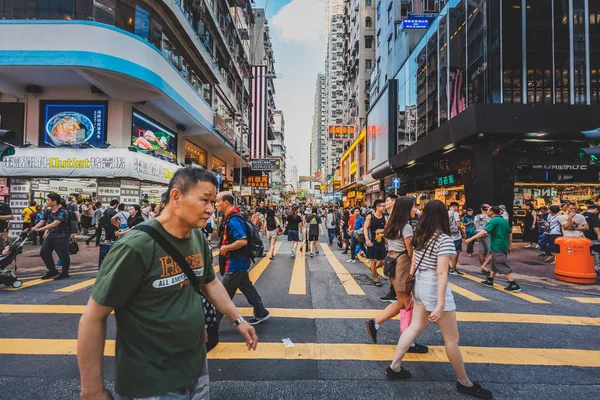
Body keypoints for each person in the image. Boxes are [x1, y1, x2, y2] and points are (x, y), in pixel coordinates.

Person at [78, 167, 258, 400]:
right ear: (176, 197)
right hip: (151, 380)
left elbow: (210, 283)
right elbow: (94, 316)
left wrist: (238, 319)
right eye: (205, 200)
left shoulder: (197, 238)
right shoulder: (135, 246)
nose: (210, 209)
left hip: (195, 367)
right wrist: (92, 390)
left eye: (213, 202)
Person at [385, 200, 492, 399]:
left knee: (414, 327)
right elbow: (442, 273)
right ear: (443, 216)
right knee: (452, 339)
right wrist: (441, 304)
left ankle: (395, 366)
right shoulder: (443, 239)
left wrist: (413, 288)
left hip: (419, 284)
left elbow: (413, 265)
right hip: (434, 286)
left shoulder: (419, 235)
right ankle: (464, 382)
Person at [366, 196, 428, 354]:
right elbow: (410, 251)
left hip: (391, 263)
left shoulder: (391, 224)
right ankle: (410, 343)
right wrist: (414, 270)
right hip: (402, 265)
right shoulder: (406, 227)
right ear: (407, 209)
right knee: (407, 304)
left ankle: (375, 323)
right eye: (414, 207)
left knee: (401, 302)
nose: (415, 209)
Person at [216, 191, 271, 325]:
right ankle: (261, 312)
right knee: (247, 287)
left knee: (223, 295)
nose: (215, 204)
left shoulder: (234, 219)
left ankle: (211, 324)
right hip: (238, 261)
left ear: (226, 202)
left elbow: (242, 241)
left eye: (217, 201)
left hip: (235, 263)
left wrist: (226, 248)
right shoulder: (229, 217)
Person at [466, 206, 521, 292]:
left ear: (492, 211)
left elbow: (485, 231)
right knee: (494, 264)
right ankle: (490, 280)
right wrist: (509, 245)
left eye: (488, 210)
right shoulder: (504, 220)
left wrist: (471, 238)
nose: (487, 211)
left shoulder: (493, 220)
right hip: (503, 245)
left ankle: (513, 283)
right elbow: (510, 233)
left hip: (497, 245)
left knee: (500, 263)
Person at [30, 193, 71, 280]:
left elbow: (55, 223)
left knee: (63, 255)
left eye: (48, 200)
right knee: (44, 252)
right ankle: (52, 270)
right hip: (51, 235)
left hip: (62, 236)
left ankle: (65, 272)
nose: (46, 202)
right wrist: (35, 227)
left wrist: (39, 230)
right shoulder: (48, 211)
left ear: (54, 202)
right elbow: (43, 221)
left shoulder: (63, 212)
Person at [364, 199, 387, 286]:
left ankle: (373, 269)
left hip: (381, 242)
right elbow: (365, 228)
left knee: (382, 261)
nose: (384, 207)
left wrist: (383, 231)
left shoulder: (385, 217)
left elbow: (387, 229)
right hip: (372, 242)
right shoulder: (370, 217)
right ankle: (375, 279)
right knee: (373, 260)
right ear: (377, 207)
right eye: (383, 206)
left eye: (384, 206)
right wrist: (367, 239)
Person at [447, 202, 465, 275]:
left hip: (448, 235)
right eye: (457, 207)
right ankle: (453, 269)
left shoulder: (445, 213)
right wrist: (463, 233)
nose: (457, 209)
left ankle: (448, 267)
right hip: (456, 236)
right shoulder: (455, 213)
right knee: (456, 253)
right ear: (454, 207)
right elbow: (458, 225)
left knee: (447, 253)